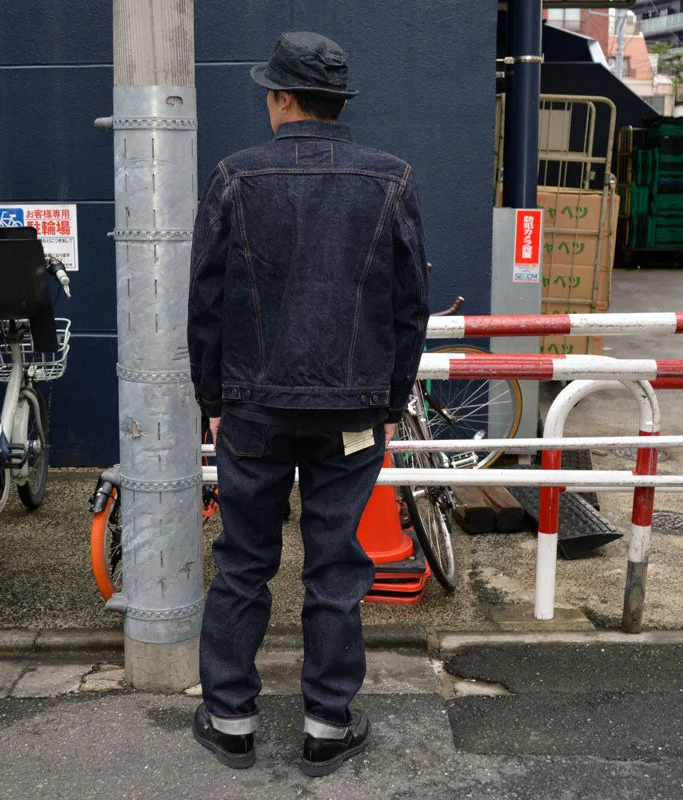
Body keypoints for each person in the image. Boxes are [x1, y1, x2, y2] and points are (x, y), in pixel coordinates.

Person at [187, 30, 429, 777]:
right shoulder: (390, 178)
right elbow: (410, 305)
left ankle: (230, 719)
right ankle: (326, 725)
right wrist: (389, 401)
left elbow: (205, 300)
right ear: (336, 103)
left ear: (283, 100)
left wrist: (213, 397)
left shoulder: (235, 176)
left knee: (243, 564)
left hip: (253, 408)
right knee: (335, 568)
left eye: (269, 92)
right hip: (353, 408)